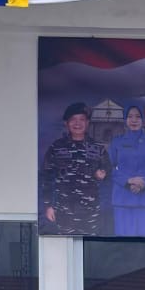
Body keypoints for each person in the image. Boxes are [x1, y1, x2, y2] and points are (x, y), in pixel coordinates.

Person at [40, 101, 111, 235]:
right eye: (73, 119)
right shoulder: (56, 147)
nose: (77, 123)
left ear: (88, 123)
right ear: (66, 123)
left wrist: (103, 174)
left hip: (90, 212)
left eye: (81, 119)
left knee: (90, 243)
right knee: (65, 244)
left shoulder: (98, 148)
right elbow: (46, 177)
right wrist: (48, 205)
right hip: (64, 211)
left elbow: (109, 173)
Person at [107, 103, 145, 237]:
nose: (134, 120)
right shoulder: (117, 142)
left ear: (143, 119)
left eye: (138, 116)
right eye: (130, 116)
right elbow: (108, 168)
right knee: (124, 243)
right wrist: (128, 181)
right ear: (125, 120)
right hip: (123, 200)